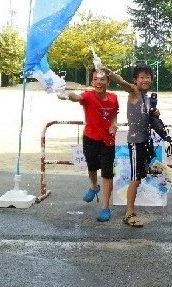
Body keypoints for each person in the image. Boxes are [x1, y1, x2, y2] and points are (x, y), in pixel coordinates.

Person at [58, 68, 119, 222]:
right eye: (96, 80)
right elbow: (76, 97)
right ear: (92, 81)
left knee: (107, 173)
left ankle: (105, 207)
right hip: (90, 138)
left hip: (108, 141)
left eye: (102, 79)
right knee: (91, 167)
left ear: (108, 81)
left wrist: (114, 125)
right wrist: (66, 94)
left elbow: (114, 115)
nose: (99, 82)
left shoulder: (113, 98)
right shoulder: (88, 96)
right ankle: (93, 186)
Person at [103, 65, 156, 228]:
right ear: (136, 80)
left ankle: (130, 211)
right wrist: (109, 73)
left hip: (145, 142)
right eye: (142, 77)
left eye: (148, 77)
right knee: (135, 178)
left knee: (139, 177)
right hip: (135, 142)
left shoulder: (147, 97)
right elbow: (122, 83)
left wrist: (154, 113)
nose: (145, 80)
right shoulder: (134, 92)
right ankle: (129, 213)